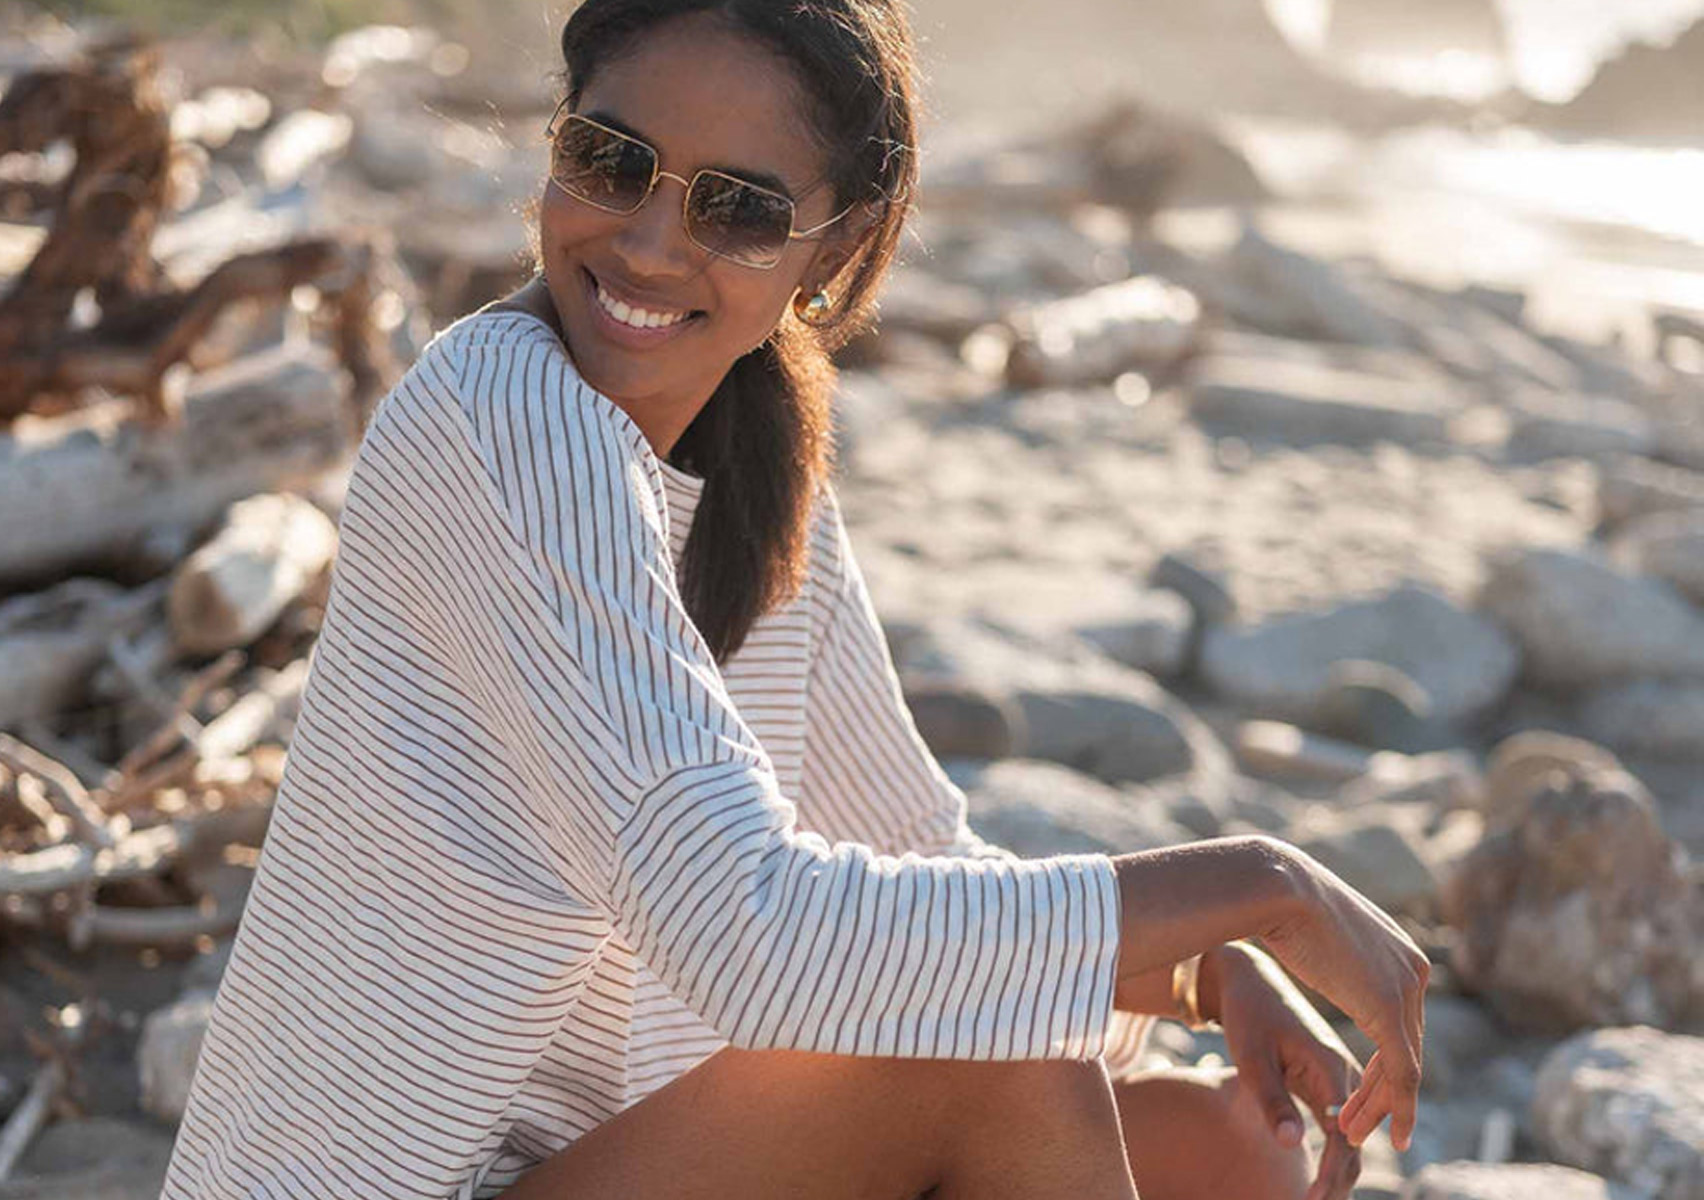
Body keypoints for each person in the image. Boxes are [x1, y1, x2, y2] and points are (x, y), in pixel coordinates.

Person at [157, 2, 1429, 1198]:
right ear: (554, 150)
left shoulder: (754, 462)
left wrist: (1206, 968)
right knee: (1009, 1079)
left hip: (603, 1153)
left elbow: (916, 860)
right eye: (610, 160)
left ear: (842, 246)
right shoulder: (502, 416)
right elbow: (754, 940)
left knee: (1231, 1148)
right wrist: (1262, 882)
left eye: (740, 208)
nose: (652, 242)